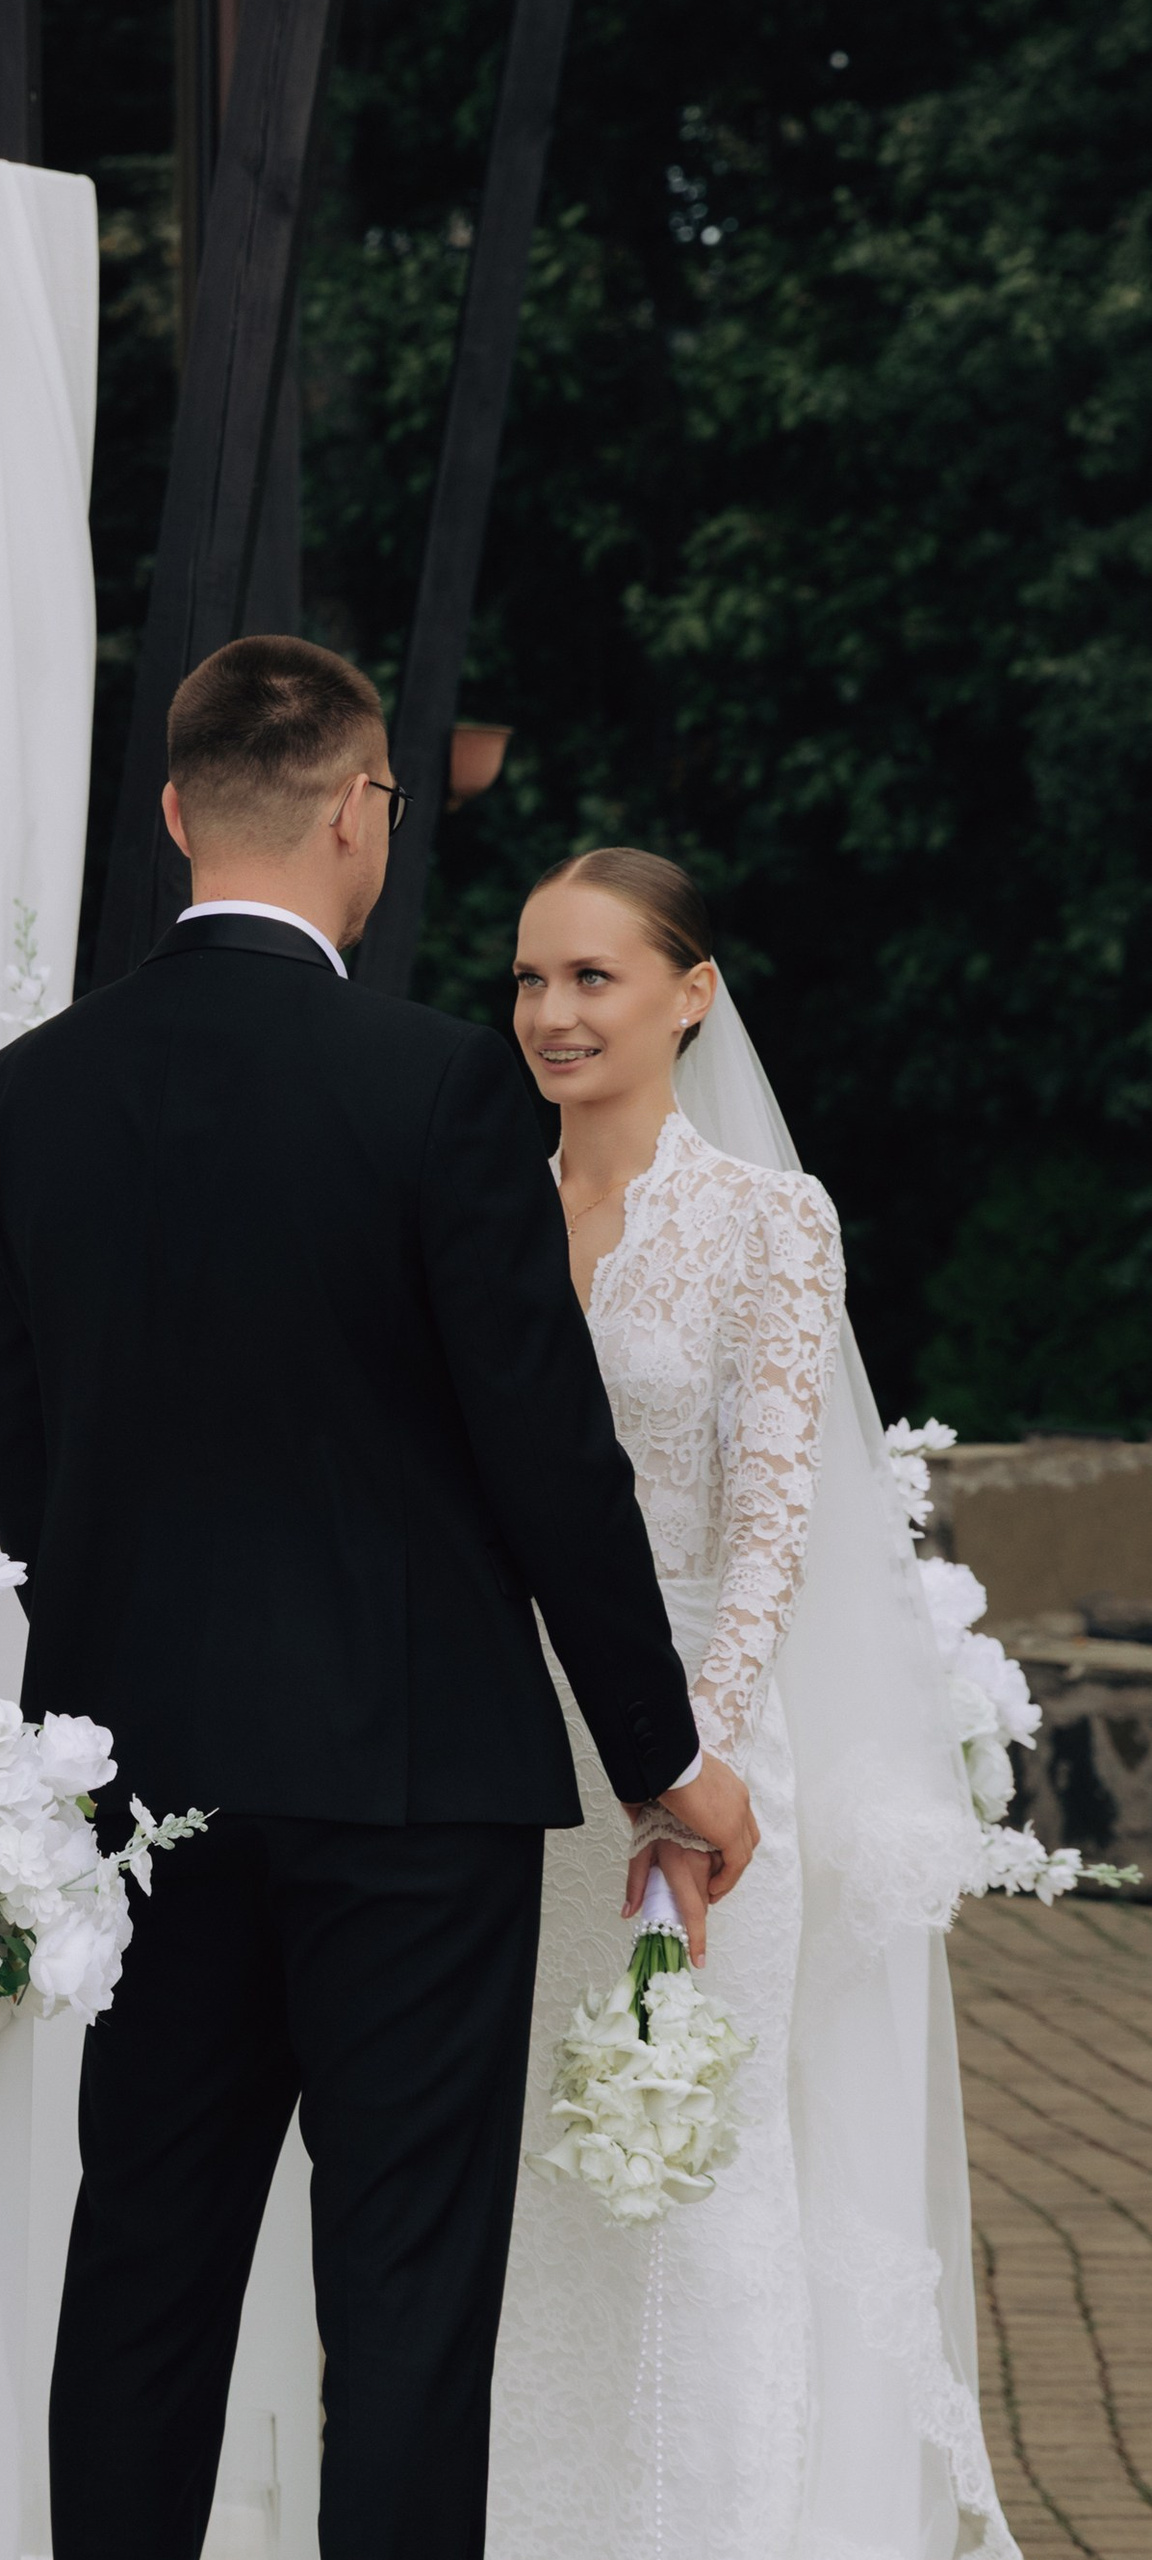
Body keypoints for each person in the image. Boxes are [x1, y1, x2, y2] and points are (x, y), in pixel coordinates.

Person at [0, 634, 756, 2560]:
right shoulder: (439, 1092)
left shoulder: (21, 1100)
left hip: (151, 1789)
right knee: (403, 2302)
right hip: (412, 1790)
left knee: (143, 2270)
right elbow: (549, 1459)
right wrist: (668, 1757)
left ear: (170, 813)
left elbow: (30, 1475)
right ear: (358, 809)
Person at [488, 848, 1015, 2558]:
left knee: (692, 2160)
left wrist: (686, 1777)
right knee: (534, 2176)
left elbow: (775, 1506)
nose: (553, 1015)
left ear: (691, 993)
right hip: (504, 1748)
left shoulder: (766, 1219)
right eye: (528, 982)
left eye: (593, 979)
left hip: (701, 1761)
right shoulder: (481, 1193)